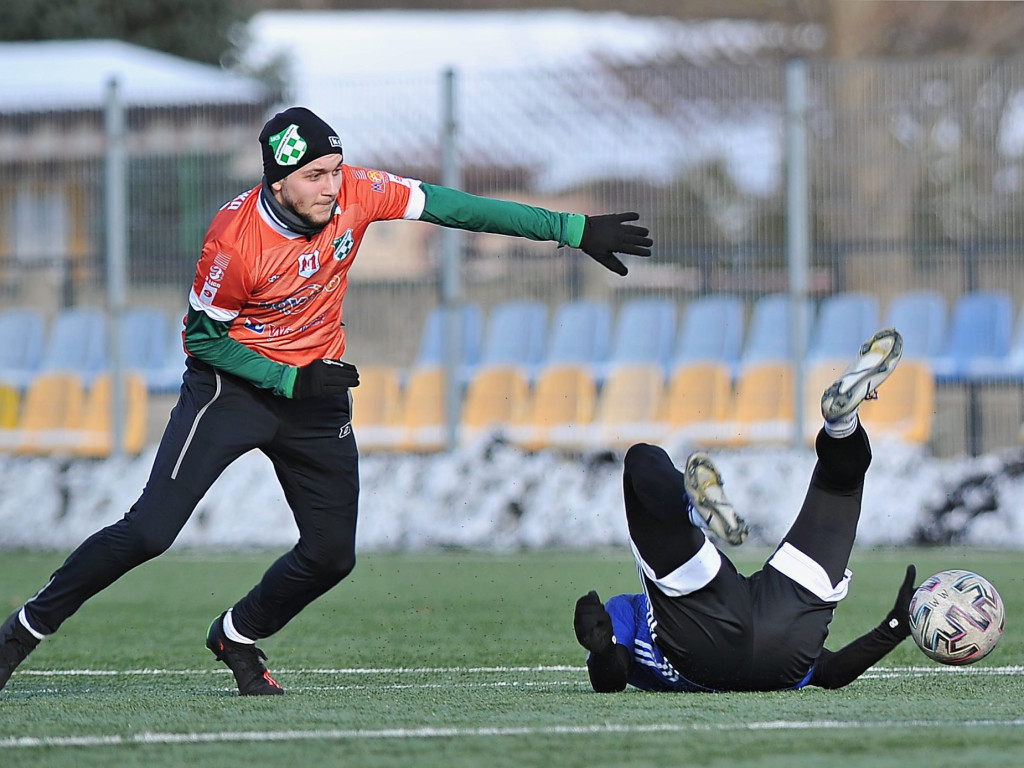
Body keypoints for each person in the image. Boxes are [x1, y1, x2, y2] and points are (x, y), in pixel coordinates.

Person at [0, 106, 652, 697]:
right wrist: (285, 381)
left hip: (316, 399)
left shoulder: (358, 193)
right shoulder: (234, 239)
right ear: (278, 181)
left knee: (332, 555)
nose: (332, 187)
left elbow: (455, 207)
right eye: (315, 175)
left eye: (335, 170)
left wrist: (568, 227)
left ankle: (236, 635)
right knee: (148, 531)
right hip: (231, 392)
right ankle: (24, 630)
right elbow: (202, 339)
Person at [573, 327, 918, 693]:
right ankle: (841, 425)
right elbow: (829, 673)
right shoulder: (634, 608)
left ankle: (692, 507)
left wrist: (604, 648)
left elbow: (610, 681)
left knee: (643, 455)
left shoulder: (625, 609)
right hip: (785, 643)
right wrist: (893, 628)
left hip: (704, 644)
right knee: (642, 458)